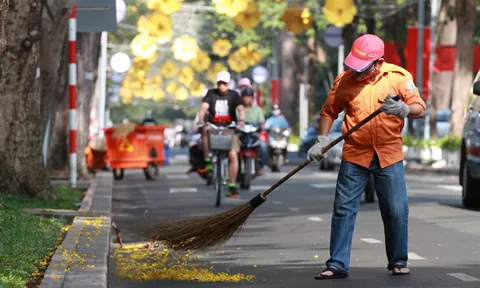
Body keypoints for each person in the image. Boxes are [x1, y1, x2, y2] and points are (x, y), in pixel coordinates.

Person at [307, 34, 426, 280]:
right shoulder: (345, 81)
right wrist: (322, 140)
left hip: (389, 155)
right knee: (343, 210)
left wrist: (404, 109)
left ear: (377, 62)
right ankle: (337, 264)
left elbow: (419, 107)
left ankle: (398, 260)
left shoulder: (398, 78)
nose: (356, 71)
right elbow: (329, 111)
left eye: (362, 66)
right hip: (355, 155)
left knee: (396, 210)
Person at [197, 71, 245, 198]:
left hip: (229, 128)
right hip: (213, 127)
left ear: (228, 83)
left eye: (224, 83)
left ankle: (232, 186)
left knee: (233, 155)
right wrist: (201, 119)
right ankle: (208, 162)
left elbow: (240, 109)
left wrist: (241, 121)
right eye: (220, 83)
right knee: (205, 130)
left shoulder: (234, 95)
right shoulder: (211, 94)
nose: (222, 85)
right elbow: (203, 108)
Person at [237, 87, 266, 175]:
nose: (247, 99)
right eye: (245, 96)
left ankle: (260, 166)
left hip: (253, 136)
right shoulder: (237, 109)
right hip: (240, 136)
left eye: (249, 96)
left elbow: (262, 123)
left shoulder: (257, 110)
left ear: (252, 98)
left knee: (263, 147)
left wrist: (262, 128)